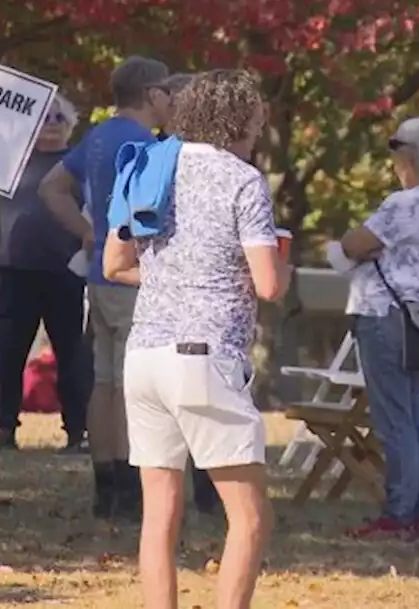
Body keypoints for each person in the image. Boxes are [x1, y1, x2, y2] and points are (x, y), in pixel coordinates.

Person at [103, 69, 284, 609]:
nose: (257, 134)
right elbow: (269, 284)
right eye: (254, 122)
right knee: (250, 515)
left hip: (145, 356)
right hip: (205, 358)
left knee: (160, 513)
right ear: (237, 122)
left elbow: (116, 263)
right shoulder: (243, 180)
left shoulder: (152, 166)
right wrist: (281, 263)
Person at [40, 56, 173, 520]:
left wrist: (86, 230)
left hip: (98, 273)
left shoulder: (97, 136)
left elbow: (52, 187)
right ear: (152, 94)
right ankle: (129, 486)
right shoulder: (147, 145)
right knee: (130, 385)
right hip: (135, 275)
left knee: (104, 380)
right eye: (167, 93)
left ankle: (105, 483)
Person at [336, 115, 419, 542]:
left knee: (393, 419)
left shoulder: (402, 204)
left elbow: (353, 244)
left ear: (408, 154)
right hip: (414, 317)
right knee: (413, 419)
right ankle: (415, 511)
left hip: (382, 314)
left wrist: (352, 245)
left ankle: (399, 513)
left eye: (394, 145)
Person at [0, 93, 88, 453]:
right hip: (16, 269)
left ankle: (77, 432)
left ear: (69, 125)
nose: (50, 124)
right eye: (43, 117)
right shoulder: (9, 162)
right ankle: (4, 430)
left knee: (70, 354)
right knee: (10, 352)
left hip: (65, 271)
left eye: (58, 118)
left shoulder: (78, 164)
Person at [156, 72, 222, 516]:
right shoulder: (225, 169)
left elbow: (115, 258)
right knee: (200, 401)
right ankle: (206, 495)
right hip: (197, 305)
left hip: (167, 304)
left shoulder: (150, 160)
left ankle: (194, 497)